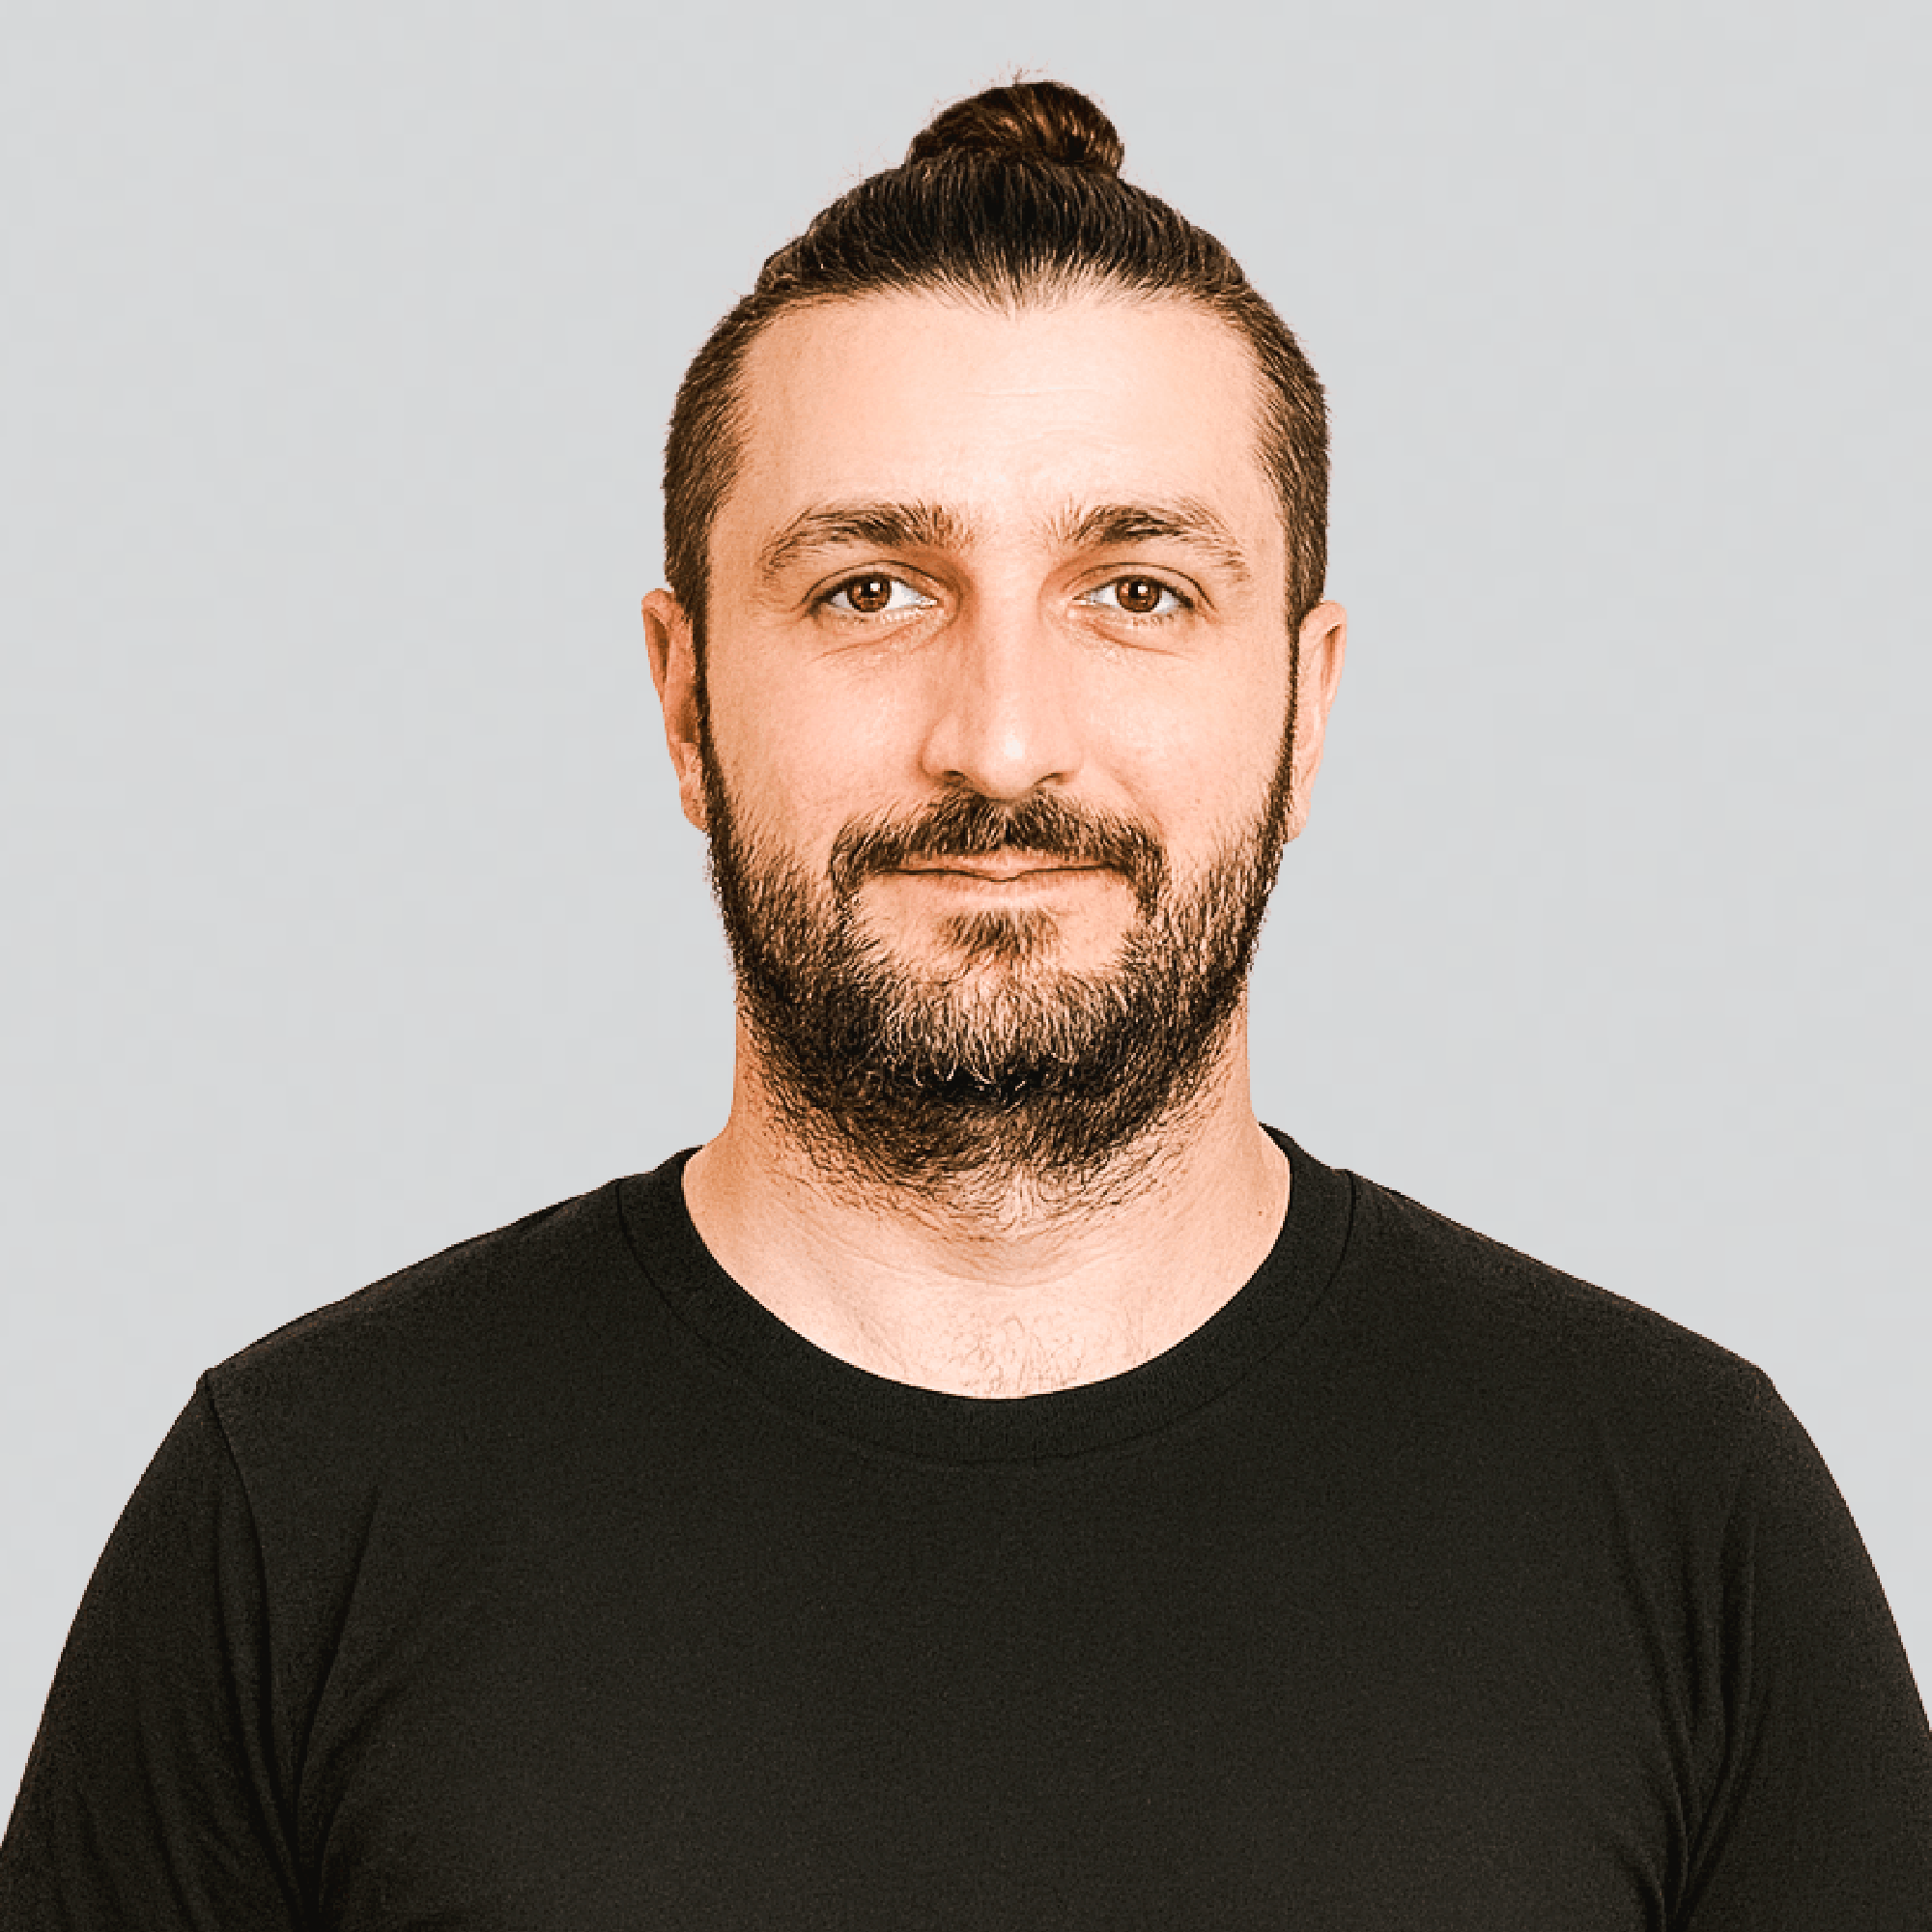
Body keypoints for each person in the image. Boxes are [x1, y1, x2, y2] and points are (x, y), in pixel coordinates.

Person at [2, 76, 1926, 1929]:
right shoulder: (301, 1515)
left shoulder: (1684, 1520)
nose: (1001, 737)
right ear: (683, 700)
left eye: (1138, 590)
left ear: (1306, 700)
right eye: (870, 589)